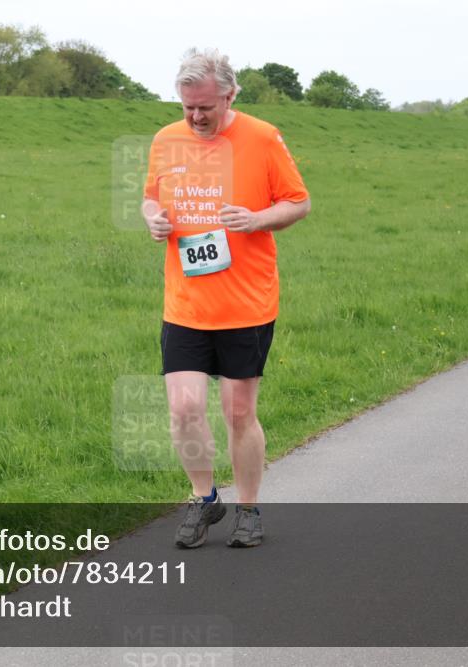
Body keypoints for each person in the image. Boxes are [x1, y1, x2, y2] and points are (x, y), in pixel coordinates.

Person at [142, 48, 310, 548]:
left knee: (239, 413)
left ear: (230, 96)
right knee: (184, 408)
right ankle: (204, 498)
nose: (195, 117)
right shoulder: (166, 139)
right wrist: (153, 218)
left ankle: (249, 508)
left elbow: (298, 202)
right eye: (187, 107)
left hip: (246, 303)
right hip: (186, 303)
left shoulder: (262, 137)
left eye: (205, 108)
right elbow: (151, 196)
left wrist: (258, 219)